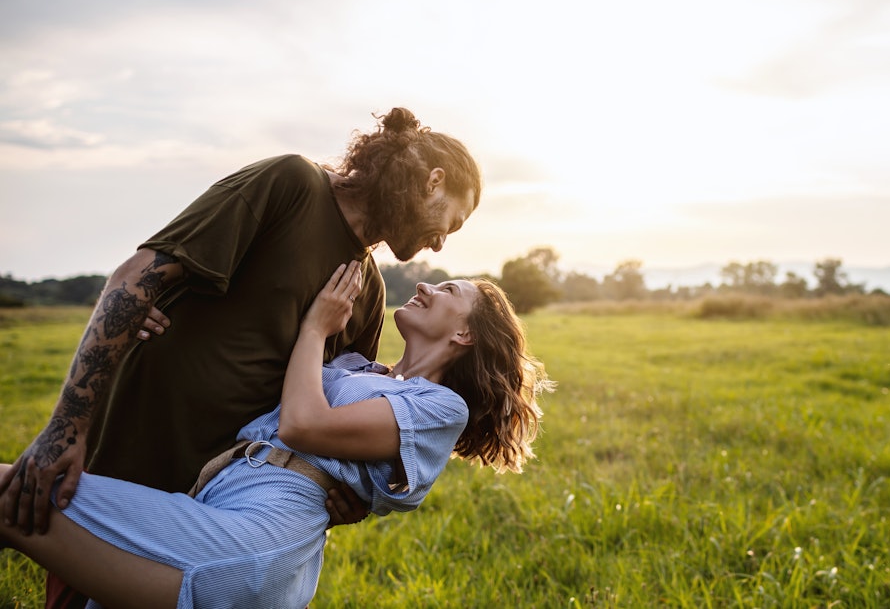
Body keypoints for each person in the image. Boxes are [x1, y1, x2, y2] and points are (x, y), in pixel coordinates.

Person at [0, 107, 482, 608]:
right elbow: (135, 279)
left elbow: (332, 429)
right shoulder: (292, 185)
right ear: (433, 180)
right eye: (452, 221)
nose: (441, 241)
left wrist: (351, 501)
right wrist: (67, 426)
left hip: (223, 497)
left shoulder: (367, 294)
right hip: (129, 452)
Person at [1, 262, 550, 607]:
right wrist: (153, 319)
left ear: (464, 333)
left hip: (253, 543)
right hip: (221, 515)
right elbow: (246, 354)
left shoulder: (439, 406)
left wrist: (316, 326)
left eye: (449, 288)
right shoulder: (357, 368)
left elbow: (303, 424)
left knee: (10, 496)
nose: (426, 283)